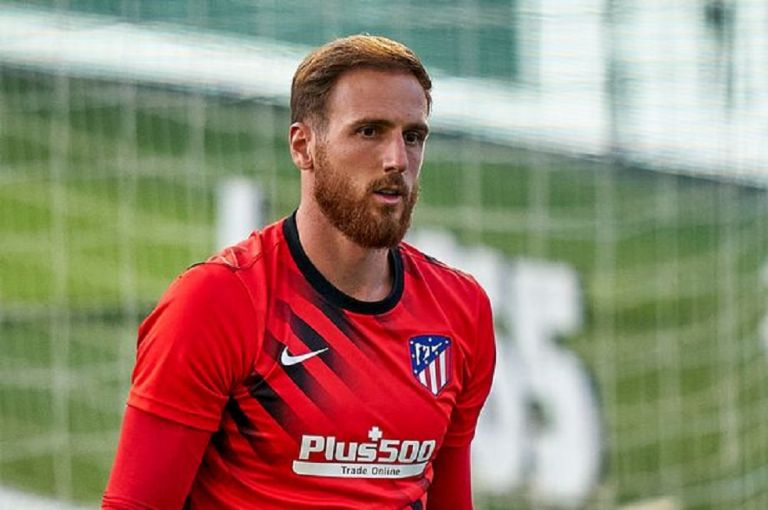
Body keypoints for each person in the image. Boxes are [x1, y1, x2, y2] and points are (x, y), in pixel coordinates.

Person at [103, 34, 496, 510]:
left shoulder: (461, 310)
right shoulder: (218, 301)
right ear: (303, 146)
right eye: (369, 131)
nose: (397, 159)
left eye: (412, 136)